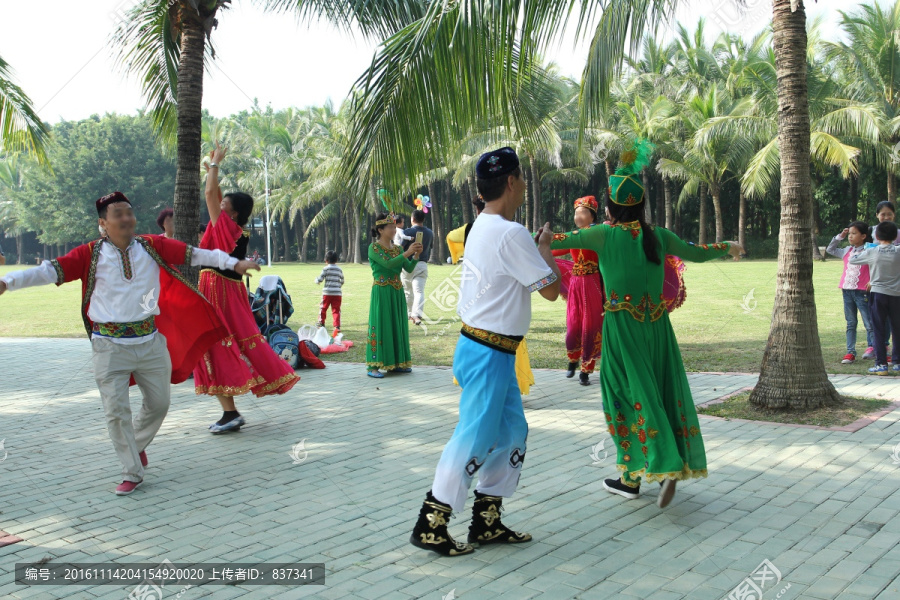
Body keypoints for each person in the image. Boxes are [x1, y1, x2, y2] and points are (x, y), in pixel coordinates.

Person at [0, 191, 260, 495]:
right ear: (103, 223)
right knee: (116, 411)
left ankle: (134, 446)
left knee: (160, 404)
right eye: (118, 214)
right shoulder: (89, 254)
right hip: (108, 346)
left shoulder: (153, 246)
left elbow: (194, 254)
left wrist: (233, 263)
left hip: (150, 342)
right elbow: (49, 271)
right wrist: (8, 282)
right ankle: (132, 471)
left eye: (129, 212)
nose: (126, 218)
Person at [549, 139, 743, 509]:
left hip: (623, 329)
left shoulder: (602, 235)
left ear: (608, 208)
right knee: (660, 390)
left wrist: (511, 236)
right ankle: (632, 477)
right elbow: (698, 253)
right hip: (658, 330)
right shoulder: (659, 236)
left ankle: (662, 464)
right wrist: (729, 246)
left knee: (625, 394)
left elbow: (556, 242)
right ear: (640, 205)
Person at [410, 147, 561, 557]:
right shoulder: (510, 233)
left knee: (512, 432)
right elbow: (550, 291)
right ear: (511, 182)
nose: (525, 185)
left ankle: (487, 521)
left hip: (488, 348)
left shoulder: (482, 226)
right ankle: (432, 523)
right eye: (522, 179)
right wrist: (545, 247)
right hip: (489, 351)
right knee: (474, 436)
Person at [193, 143, 300, 433]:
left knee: (215, 345)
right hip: (226, 288)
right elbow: (214, 194)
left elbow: (209, 195)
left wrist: (215, 166)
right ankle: (230, 413)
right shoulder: (232, 228)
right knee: (229, 344)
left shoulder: (227, 227)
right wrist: (211, 170)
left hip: (218, 289)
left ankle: (231, 414)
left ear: (234, 214)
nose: (218, 205)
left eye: (225, 206)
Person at [447, 195, 537, 396]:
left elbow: (451, 236)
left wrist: (458, 253)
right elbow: (547, 288)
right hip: (497, 325)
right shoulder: (507, 231)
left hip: (477, 309)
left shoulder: (472, 230)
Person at [552, 196, 605, 386]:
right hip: (575, 283)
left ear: (592, 217)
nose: (578, 216)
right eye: (576, 213)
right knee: (573, 323)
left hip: (593, 284)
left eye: (583, 213)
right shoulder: (573, 235)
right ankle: (573, 359)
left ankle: (586, 370)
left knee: (590, 325)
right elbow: (554, 248)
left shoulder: (598, 234)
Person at [366, 213, 422, 378]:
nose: (393, 229)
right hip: (382, 292)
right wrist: (407, 252)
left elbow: (409, 268)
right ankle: (373, 366)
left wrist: (416, 254)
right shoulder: (374, 248)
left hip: (396, 291)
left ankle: (396, 363)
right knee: (380, 324)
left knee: (397, 326)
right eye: (390, 227)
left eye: (394, 226)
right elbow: (388, 264)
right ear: (380, 230)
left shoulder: (397, 248)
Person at [850, 220, 900, 375]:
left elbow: (853, 260)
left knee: (878, 329)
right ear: (895, 236)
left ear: (877, 236)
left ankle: (881, 364)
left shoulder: (873, 251)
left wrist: (866, 248)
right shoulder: (898, 251)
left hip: (878, 294)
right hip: (896, 295)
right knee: (897, 329)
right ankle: (897, 362)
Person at [826, 222, 875, 363]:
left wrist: (873, 281)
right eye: (849, 234)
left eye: (854, 233)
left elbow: (877, 266)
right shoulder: (847, 250)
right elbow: (830, 249)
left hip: (862, 292)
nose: (850, 236)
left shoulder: (869, 251)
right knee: (851, 322)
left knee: (869, 322)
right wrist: (839, 237)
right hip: (847, 291)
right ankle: (850, 352)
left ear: (863, 236)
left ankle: (873, 347)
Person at [401, 209, 434, 326]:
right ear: (423, 219)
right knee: (419, 291)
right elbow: (431, 246)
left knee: (407, 291)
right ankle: (416, 314)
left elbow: (401, 247)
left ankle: (409, 314)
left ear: (412, 219)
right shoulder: (430, 232)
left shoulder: (407, 232)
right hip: (422, 264)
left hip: (407, 264)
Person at [315, 250, 344, 336]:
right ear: (336, 260)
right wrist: (338, 287)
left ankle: (321, 323)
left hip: (327, 293)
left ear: (326, 260)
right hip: (337, 293)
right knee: (336, 310)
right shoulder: (339, 269)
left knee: (323, 308)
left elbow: (320, 279)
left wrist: (316, 280)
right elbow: (342, 280)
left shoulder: (326, 269)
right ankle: (337, 326)